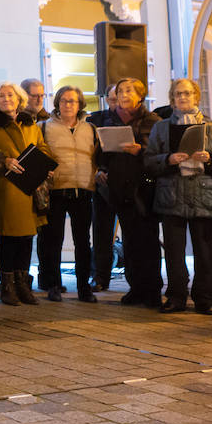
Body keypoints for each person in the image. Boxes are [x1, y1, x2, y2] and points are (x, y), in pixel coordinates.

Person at [144, 78, 212, 316]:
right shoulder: (161, 128)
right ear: (172, 99)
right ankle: (176, 296)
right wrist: (168, 159)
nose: (182, 98)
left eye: (187, 93)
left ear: (196, 97)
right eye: (177, 94)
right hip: (171, 195)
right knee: (174, 252)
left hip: (203, 195)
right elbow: (149, 161)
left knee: (204, 252)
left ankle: (204, 298)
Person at [0, 81, 50, 305]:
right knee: (8, 239)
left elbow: (42, 147)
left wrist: (45, 164)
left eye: (10, 95)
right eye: (1, 96)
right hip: (4, 189)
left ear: (19, 99)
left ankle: (23, 286)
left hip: (29, 189)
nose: (6, 99)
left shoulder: (30, 124)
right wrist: (3, 160)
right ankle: (7, 288)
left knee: (27, 239)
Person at [95, 78, 162, 307]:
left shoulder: (153, 121)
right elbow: (102, 154)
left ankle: (152, 289)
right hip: (119, 189)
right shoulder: (110, 119)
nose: (123, 94)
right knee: (130, 241)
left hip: (145, 189)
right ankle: (135, 288)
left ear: (140, 96)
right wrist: (102, 169)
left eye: (129, 91)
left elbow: (160, 152)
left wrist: (140, 151)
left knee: (149, 241)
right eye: (120, 91)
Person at [37, 85, 98, 303]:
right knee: (54, 240)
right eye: (63, 100)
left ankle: (84, 288)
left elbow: (96, 156)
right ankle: (53, 285)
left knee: (83, 241)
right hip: (56, 188)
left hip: (83, 188)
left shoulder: (90, 128)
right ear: (57, 103)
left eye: (72, 101)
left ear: (80, 104)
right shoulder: (44, 127)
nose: (68, 105)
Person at [88, 83, 119, 290]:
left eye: (121, 98)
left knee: (136, 233)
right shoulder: (95, 120)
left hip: (129, 183)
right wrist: (97, 169)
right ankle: (100, 277)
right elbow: (87, 151)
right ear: (107, 99)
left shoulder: (138, 120)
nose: (117, 103)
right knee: (101, 232)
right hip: (102, 182)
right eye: (113, 98)